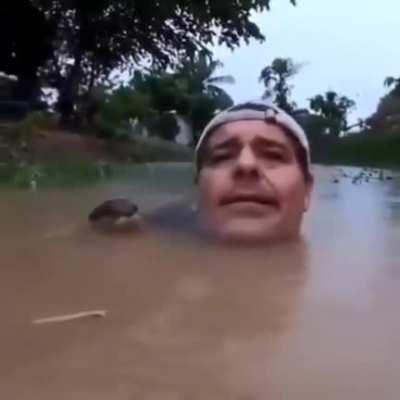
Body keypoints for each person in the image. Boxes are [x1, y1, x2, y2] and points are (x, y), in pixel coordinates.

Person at [89, 99, 313, 244]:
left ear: (308, 192)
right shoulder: (156, 225)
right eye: (222, 156)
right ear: (198, 189)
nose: (246, 165)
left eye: (273, 155)